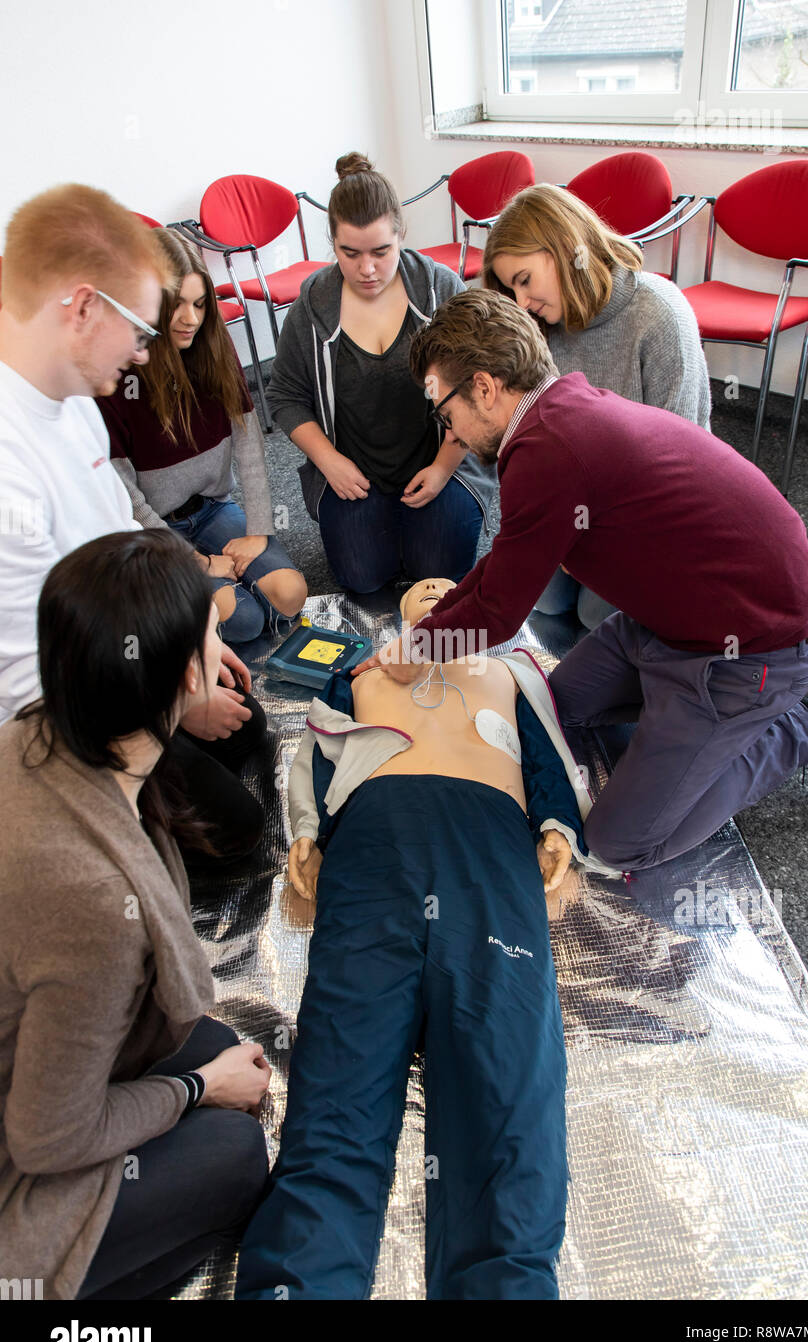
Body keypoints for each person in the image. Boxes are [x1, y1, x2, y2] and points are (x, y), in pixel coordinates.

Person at [354, 289, 808, 878]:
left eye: (446, 414)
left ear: (486, 387)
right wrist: (438, 626)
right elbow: (506, 564)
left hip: (752, 650)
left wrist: (420, 648)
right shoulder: (557, 410)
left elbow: (496, 614)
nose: (453, 435)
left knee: (620, 845)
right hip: (673, 621)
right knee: (549, 711)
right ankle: (691, 727)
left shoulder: (546, 453)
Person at [235, 576, 597, 1302]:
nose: (435, 592)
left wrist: (559, 825)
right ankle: (297, 1285)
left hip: (489, 847)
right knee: (338, 1090)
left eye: (450, 585)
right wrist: (308, 831)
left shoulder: (511, 672)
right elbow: (316, 747)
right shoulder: (360, 670)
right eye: (421, 590)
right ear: (398, 610)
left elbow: (548, 757)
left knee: (507, 1091)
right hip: (377, 844)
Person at [0, 529, 272, 1302]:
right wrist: (195, 1093)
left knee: (210, 1041)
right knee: (232, 1149)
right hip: (22, 1156)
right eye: (214, 630)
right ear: (190, 671)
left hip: (39, 1041)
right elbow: (47, 1138)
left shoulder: (38, 729)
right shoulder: (95, 907)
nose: (222, 640)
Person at [0, 183, 267, 862]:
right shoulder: (10, 466)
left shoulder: (74, 397)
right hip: (52, 724)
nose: (148, 356)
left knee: (245, 727)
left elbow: (125, 536)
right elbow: (34, 684)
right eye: (143, 330)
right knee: (233, 832)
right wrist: (173, 700)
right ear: (85, 306)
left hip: (112, 657)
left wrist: (190, 636)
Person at [265, 152, 496, 593]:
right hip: (355, 470)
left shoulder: (439, 288)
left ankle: (426, 516)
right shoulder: (314, 303)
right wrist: (328, 461)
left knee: (438, 578)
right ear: (331, 244)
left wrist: (445, 467)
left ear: (401, 236)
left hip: (439, 457)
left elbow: (476, 390)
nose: (366, 269)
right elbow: (285, 396)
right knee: (363, 579)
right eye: (349, 254)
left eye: (381, 252)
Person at [484, 182, 711, 625]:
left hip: (646, 515)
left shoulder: (660, 314)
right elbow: (532, 442)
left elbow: (679, 468)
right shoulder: (539, 324)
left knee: (597, 617)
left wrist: (589, 543)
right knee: (545, 601)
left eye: (525, 280)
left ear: (565, 247)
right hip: (576, 505)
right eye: (512, 290)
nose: (522, 302)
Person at [97, 228, 307, 645]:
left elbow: (249, 445)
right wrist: (197, 562)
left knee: (291, 594)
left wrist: (258, 530)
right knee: (244, 622)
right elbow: (125, 495)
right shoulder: (116, 376)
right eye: (176, 305)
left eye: (199, 304)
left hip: (211, 509)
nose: (191, 318)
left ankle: (198, 606)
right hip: (154, 533)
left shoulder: (212, 342)